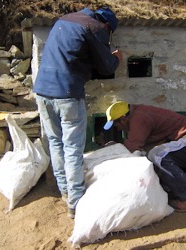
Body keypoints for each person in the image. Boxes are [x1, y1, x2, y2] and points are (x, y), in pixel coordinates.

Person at [33, 6, 123, 219]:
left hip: (42, 91)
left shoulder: (64, 20)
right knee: (73, 147)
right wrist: (117, 57)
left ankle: (64, 191)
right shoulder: (95, 27)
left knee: (55, 142)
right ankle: (76, 203)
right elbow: (106, 66)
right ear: (107, 25)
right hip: (67, 94)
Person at [103, 101, 186, 212]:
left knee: (157, 155)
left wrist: (113, 149)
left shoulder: (139, 117)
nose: (118, 129)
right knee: (156, 164)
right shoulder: (141, 114)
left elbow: (131, 148)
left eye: (116, 125)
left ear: (123, 119)